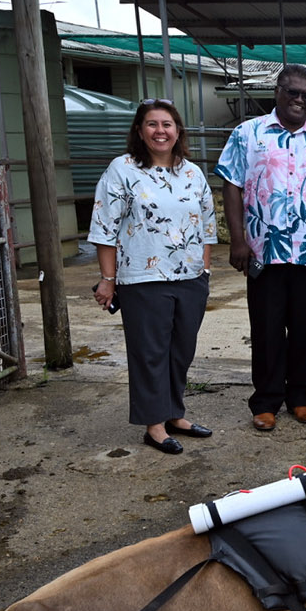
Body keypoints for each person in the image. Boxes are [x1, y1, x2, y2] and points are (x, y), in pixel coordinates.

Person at [216, 64, 306, 431]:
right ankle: (265, 401)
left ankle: (301, 397)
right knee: (266, 328)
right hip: (264, 251)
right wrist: (237, 239)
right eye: (292, 92)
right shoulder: (247, 133)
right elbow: (231, 186)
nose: (298, 100)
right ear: (277, 91)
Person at [89, 100, 215, 455]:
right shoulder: (123, 169)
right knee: (150, 353)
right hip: (143, 278)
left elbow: (207, 225)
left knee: (181, 350)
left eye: (167, 124)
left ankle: (175, 413)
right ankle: (154, 425)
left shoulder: (192, 173)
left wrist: (203, 269)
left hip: (190, 279)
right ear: (140, 131)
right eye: (152, 124)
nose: (160, 131)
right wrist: (107, 279)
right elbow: (104, 228)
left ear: (178, 131)